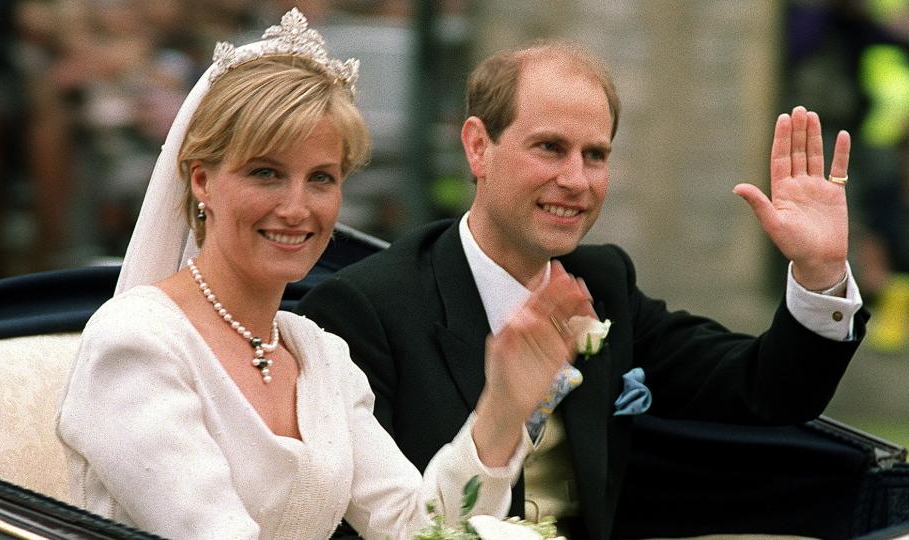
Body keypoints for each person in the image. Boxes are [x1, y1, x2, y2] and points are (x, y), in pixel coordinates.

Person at [296, 40, 869, 539]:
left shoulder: (603, 285)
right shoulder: (363, 311)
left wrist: (820, 270)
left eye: (595, 155)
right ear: (478, 147)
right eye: (550, 147)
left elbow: (765, 390)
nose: (576, 180)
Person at [57, 11, 594, 540]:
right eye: (266, 173)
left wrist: (501, 410)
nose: (296, 208)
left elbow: (416, 529)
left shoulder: (319, 356)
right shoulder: (138, 342)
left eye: (320, 179)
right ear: (202, 181)